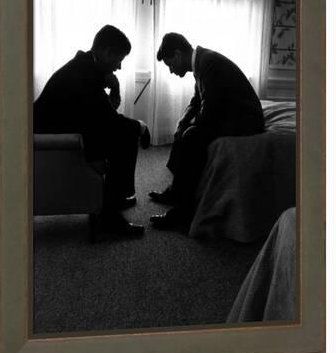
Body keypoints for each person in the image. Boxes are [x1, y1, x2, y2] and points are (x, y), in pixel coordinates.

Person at [34, 24, 150, 236]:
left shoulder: (86, 68)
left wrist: (114, 89)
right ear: (107, 53)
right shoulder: (84, 76)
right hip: (51, 141)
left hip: (66, 130)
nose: (119, 67)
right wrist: (140, 127)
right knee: (126, 135)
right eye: (119, 60)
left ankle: (116, 198)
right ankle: (109, 219)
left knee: (122, 132)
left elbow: (103, 113)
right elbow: (109, 120)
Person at [149, 32, 264, 229]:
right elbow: (197, 101)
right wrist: (182, 122)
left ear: (178, 54)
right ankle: (176, 191)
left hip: (245, 120)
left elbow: (210, 109)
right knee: (184, 130)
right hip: (229, 112)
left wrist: (190, 126)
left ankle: (183, 214)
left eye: (170, 65)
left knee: (192, 136)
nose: (170, 71)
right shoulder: (201, 62)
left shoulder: (208, 63)